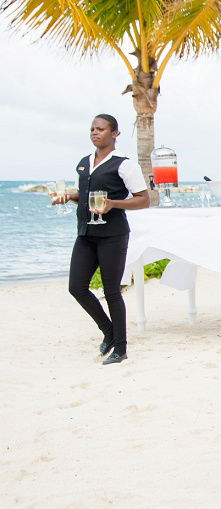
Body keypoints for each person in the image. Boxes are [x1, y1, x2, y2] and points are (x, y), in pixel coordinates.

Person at [51, 114, 149, 365]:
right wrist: (67, 197)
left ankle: (121, 348)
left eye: (101, 129)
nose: (95, 133)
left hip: (113, 236)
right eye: (93, 129)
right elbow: (82, 195)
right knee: (77, 287)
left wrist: (113, 204)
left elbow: (143, 199)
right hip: (85, 234)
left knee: (111, 291)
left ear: (114, 133)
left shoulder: (125, 165)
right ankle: (109, 332)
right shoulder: (84, 163)